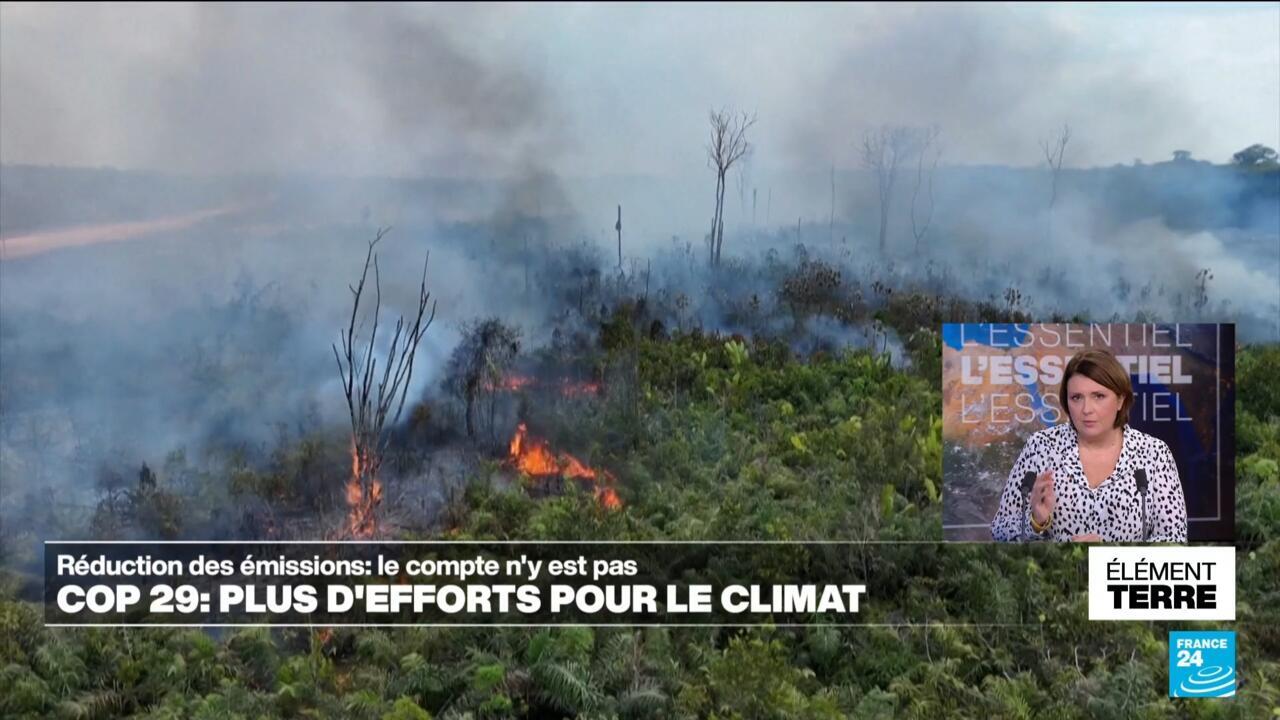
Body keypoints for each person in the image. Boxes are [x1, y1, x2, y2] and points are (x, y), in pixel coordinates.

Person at [990, 348, 1187, 542]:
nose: (1086, 409)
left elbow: (1174, 539)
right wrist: (1036, 522)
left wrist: (1111, 556)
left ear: (1120, 400)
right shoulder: (1041, 447)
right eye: (1076, 398)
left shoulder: (1154, 454)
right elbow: (1000, 530)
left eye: (1098, 396)